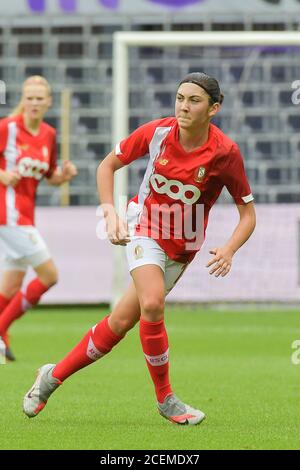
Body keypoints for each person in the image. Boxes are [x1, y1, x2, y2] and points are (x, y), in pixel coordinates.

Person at [23, 72, 256, 425]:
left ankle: (50, 377)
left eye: (194, 100)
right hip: (144, 227)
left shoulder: (225, 153)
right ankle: (166, 399)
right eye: (180, 98)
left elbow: (248, 214)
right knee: (151, 302)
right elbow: (108, 165)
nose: (183, 106)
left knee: (119, 323)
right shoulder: (157, 132)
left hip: (184, 246)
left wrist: (229, 249)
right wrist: (109, 210)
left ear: (213, 109)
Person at [0, 76, 77, 361]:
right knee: (49, 275)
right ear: (23, 99)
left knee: (9, 287)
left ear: (48, 102)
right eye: (28, 97)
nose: (33, 103)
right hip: (7, 214)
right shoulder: (7, 128)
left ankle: (2, 342)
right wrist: (2, 174)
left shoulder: (48, 134)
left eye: (38, 98)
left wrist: (63, 176)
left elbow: (50, 177)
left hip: (24, 215)